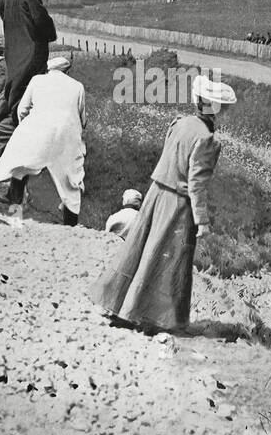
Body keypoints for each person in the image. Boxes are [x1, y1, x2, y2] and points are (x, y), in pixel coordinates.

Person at [89, 76, 237, 333]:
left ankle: (118, 302)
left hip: (155, 194)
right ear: (217, 108)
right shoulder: (208, 139)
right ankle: (148, 315)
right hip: (178, 203)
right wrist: (201, 220)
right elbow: (197, 183)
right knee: (169, 260)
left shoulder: (179, 123)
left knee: (139, 248)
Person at [0, 53, 86, 224]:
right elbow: (82, 118)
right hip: (65, 134)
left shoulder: (37, 80)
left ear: (48, 68)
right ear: (67, 71)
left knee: (19, 170)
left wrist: (26, 127)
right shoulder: (77, 86)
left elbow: (22, 109)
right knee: (70, 180)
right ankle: (70, 224)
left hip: (37, 128)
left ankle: (15, 215)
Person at [0, 0, 57, 130]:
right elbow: (46, 29)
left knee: (13, 97)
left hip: (12, 56)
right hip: (32, 58)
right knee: (29, 106)